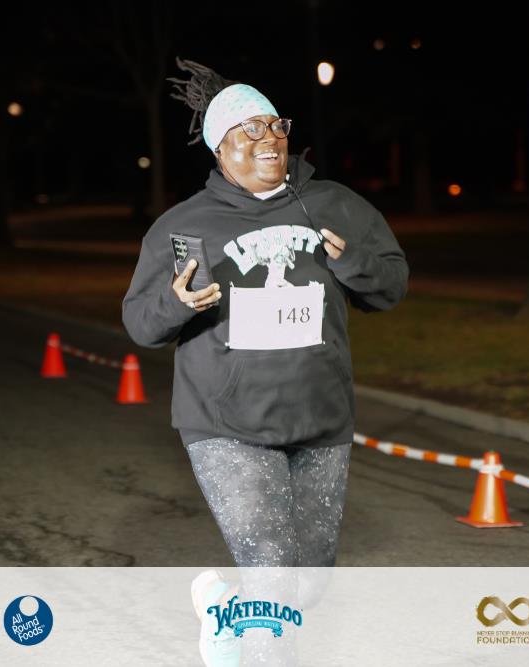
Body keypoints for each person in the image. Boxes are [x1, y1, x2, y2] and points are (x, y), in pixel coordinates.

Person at [122, 59, 408, 664]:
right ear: (219, 148)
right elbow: (140, 322)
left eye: (275, 125)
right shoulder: (185, 225)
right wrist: (175, 303)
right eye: (250, 130)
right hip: (226, 424)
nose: (269, 139)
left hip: (320, 420)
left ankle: (225, 610)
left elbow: (391, 285)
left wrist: (351, 262)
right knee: (272, 571)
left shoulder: (335, 205)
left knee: (308, 583)